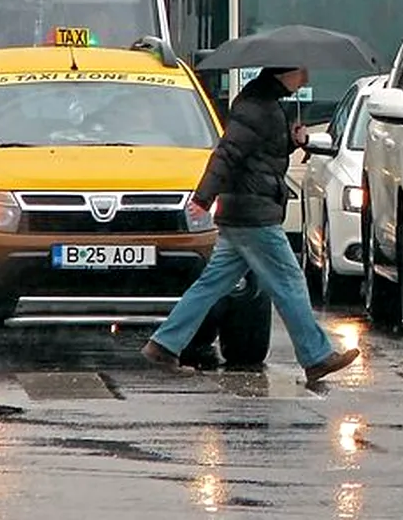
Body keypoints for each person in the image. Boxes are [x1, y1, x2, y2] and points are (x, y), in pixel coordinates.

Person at [141, 66, 360, 384]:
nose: (307, 79)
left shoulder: (263, 105)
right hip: (252, 213)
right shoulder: (258, 107)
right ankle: (316, 357)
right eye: (302, 72)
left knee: (211, 285)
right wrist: (203, 197)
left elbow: (258, 153)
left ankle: (163, 345)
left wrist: (293, 141)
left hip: (244, 210)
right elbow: (227, 154)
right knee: (290, 282)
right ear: (285, 72)